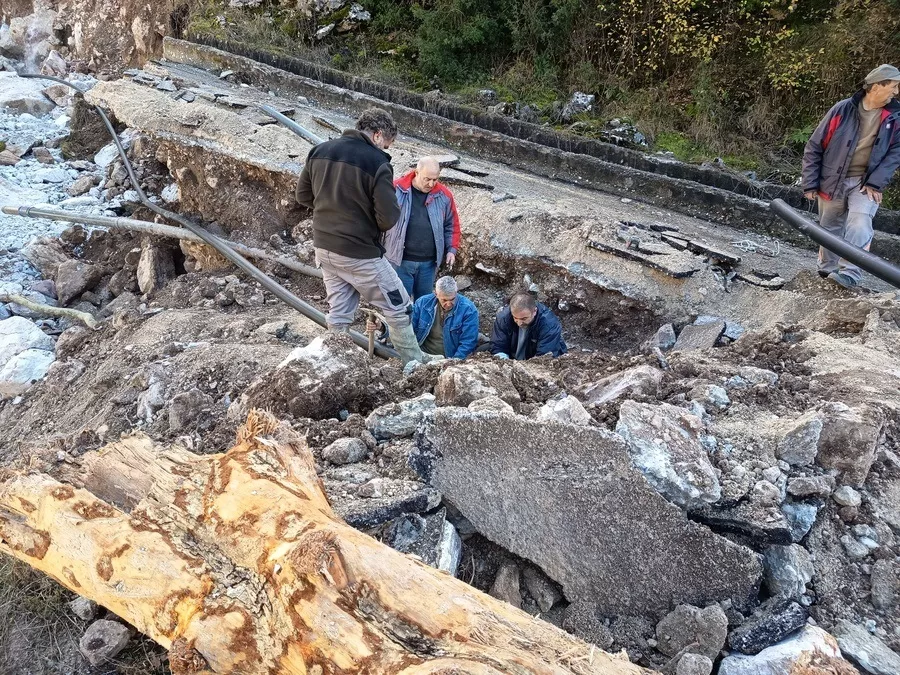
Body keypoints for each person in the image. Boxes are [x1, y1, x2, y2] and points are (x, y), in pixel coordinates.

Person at [295, 107, 427, 364]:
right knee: (399, 307)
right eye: (387, 143)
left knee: (340, 313)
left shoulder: (320, 151)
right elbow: (388, 218)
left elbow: (303, 196)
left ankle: (333, 363)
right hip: (360, 253)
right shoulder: (377, 163)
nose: (385, 149)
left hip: (325, 248)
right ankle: (415, 365)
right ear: (378, 135)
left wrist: (332, 209)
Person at [802, 64, 900, 288]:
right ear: (877, 86)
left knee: (860, 223)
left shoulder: (895, 116)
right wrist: (810, 182)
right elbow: (815, 146)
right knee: (829, 227)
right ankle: (827, 270)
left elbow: (896, 153)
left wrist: (876, 181)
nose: (896, 92)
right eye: (893, 87)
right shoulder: (843, 109)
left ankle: (850, 274)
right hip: (832, 179)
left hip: (866, 183)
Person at [383, 156, 462, 300]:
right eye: (427, 179)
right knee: (400, 304)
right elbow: (380, 219)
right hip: (399, 261)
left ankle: (420, 324)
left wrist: (451, 250)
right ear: (416, 173)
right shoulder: (396, 189)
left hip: (428, 264)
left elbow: (452, 225)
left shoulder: (444, 196)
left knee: (424, 303)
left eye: (435, 179)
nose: (431, 184)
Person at [366, 276, 479, 359]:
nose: (449, 304)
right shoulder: (423, 303)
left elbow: (468, 343)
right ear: (436, 294)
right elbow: (406, 327)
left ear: (456, 292)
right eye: (444, 300)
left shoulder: (468, 310)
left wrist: (453, 363)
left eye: (452, 299)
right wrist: (382, 327)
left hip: (447, 359)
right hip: (421, 355)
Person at [490, 293, 567, 360]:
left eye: (524, 318)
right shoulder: (503, 318)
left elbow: (544, 357)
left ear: (534, 311)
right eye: (515, 318)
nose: (519, 323)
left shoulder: (549, 325)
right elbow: (498, 346)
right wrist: (505, 363)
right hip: (513, 359)